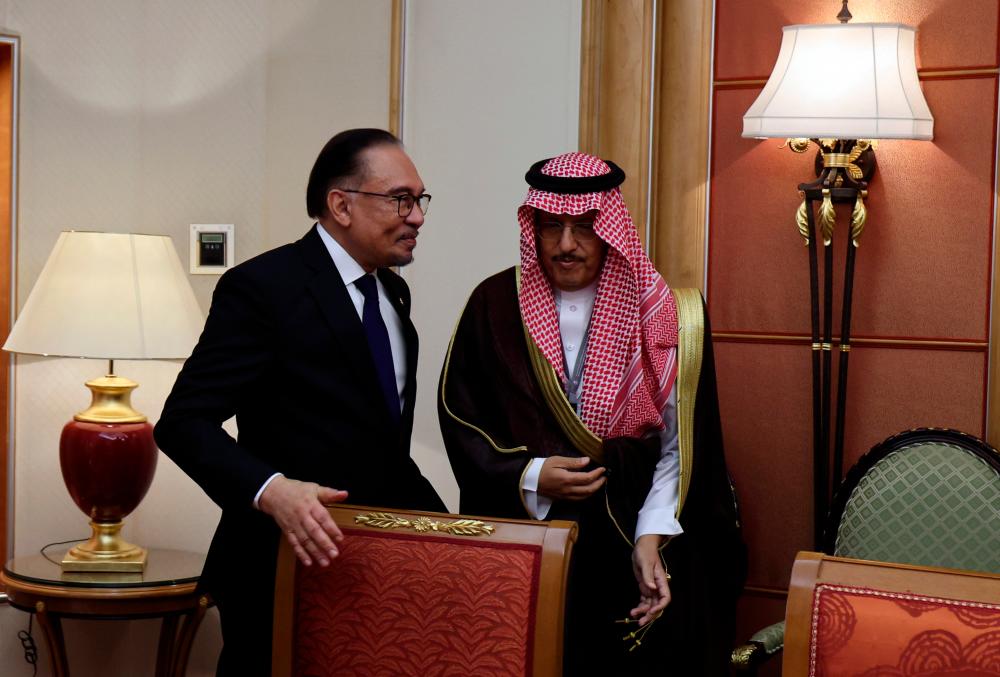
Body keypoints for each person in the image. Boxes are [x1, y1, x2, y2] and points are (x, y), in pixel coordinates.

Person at [439, 152, 745, 675]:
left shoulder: (665, 313)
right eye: (551, 226)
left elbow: (680, 446)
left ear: (610, 228)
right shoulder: (493, 304)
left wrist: (650, 535)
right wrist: (531, 475)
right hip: (529, 537)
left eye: (583, 227)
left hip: (634, 534)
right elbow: (459, 417)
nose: (565, 245)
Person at [155, 128, 446, 676]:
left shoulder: (392, 290)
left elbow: (381, 439)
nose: (417, 216)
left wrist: (445, 536)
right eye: (400, 199)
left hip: (372, 568)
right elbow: (182, 423)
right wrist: (271, 491)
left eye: (420, 199)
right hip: (276, 565)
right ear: (341, 205)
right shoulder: (263, 287)